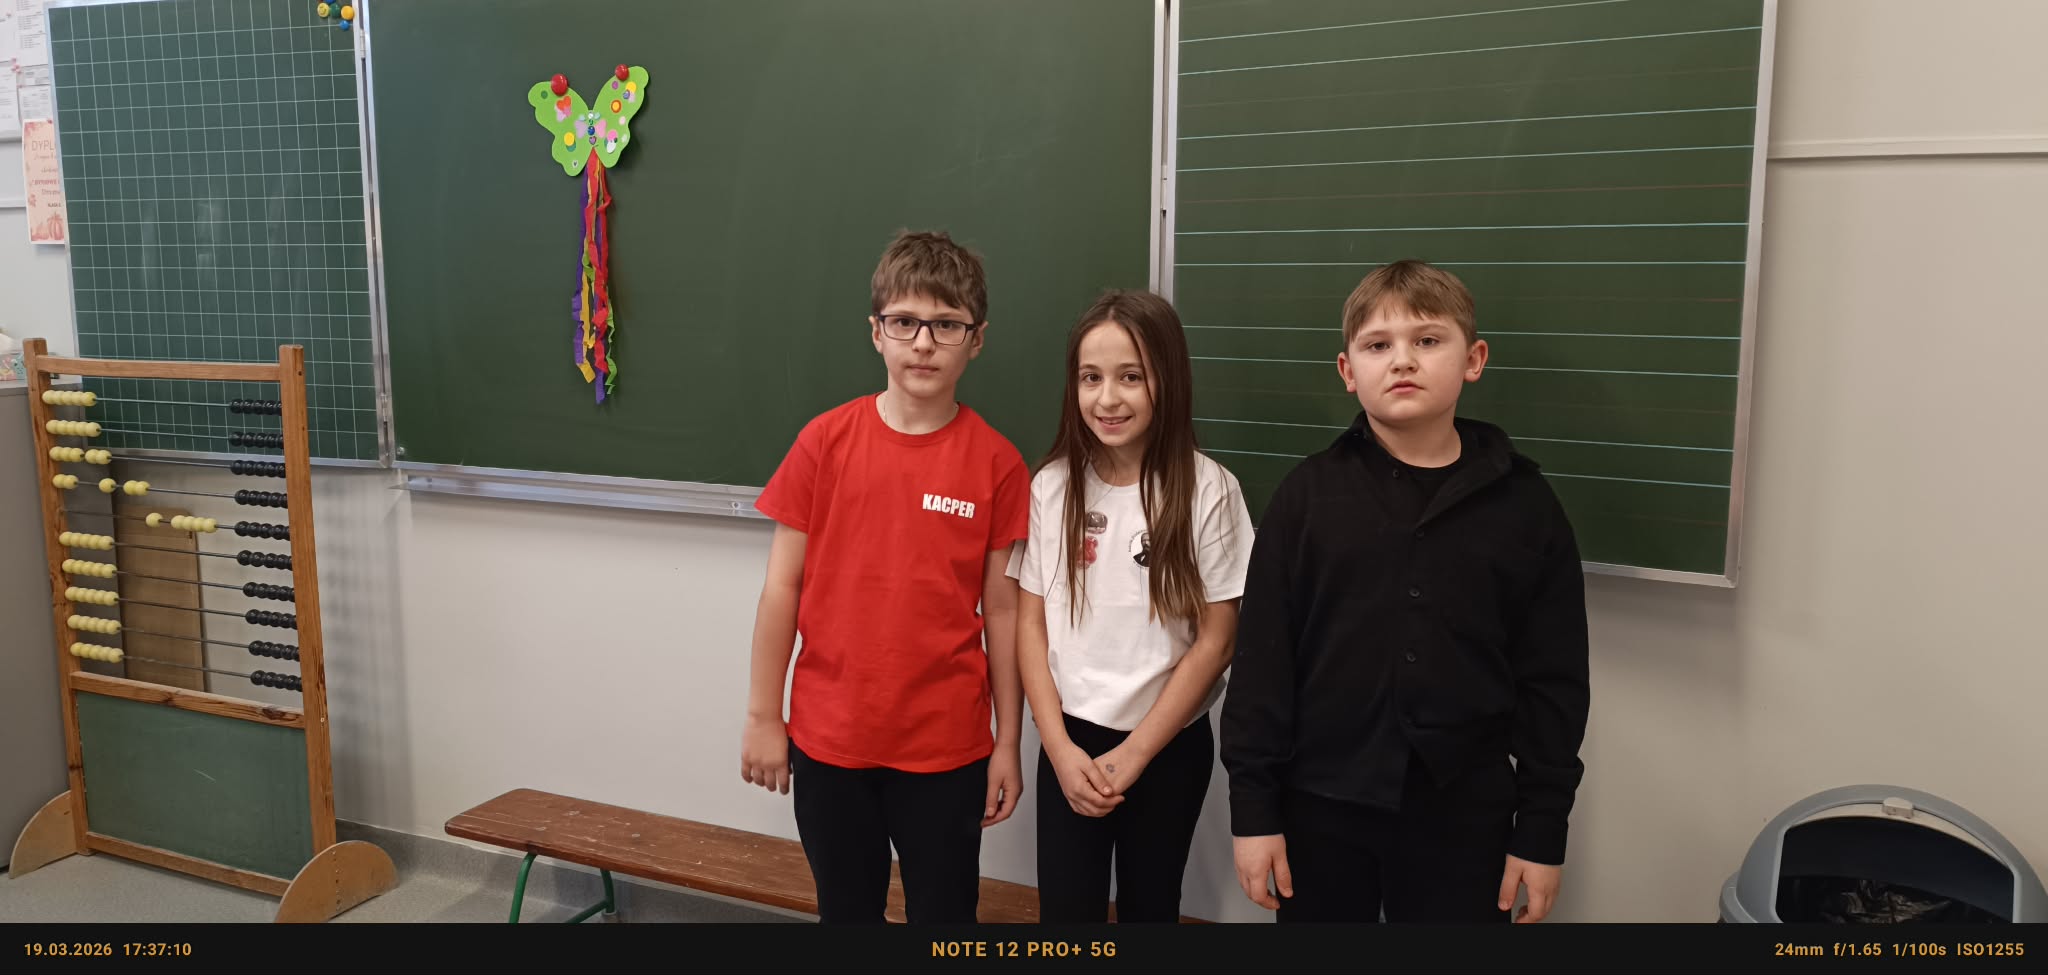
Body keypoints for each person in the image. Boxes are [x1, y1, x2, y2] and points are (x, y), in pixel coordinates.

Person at [1220, 259, 1592, 924]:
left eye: (1427, 340)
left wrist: (1542, 826)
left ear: (1473, 359)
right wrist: (1254, 811)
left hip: (1466, 813)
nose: (1402, 360)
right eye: (1377, 345)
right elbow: (1262, 667)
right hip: (1322, 806)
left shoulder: (1528, 507)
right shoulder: (1306, 498)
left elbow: (1554, 680)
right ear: (1347, 370)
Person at [740, 230, 1030, 923]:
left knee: (946, 916)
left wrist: (1008, 743)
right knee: (847, 913)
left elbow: (1004, 613)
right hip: (830, 741)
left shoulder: (999, 465)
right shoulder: (823, 442)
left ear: (977, 340)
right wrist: (762, 715)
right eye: (904, 322)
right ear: (876, 332)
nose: (923, 343)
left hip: (947, 749)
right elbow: (782, 588)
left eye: (946, 324)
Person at [1009, 290, 1254, 922]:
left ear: (1166, 379)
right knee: (1067, 914)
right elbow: (1030, 624)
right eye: (1091, 377)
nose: (1107, 398)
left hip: (1166, 742)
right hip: (1069, 740)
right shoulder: (1051, 486)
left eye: (1131, 377)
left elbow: (1218, 639)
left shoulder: (1209, 489)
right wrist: (1058, 748)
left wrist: (1139, 751)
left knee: (1152, 906)